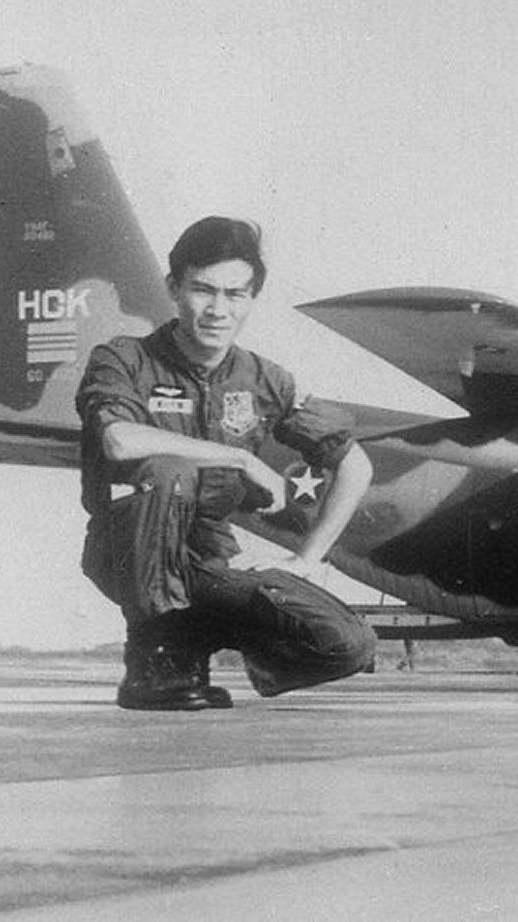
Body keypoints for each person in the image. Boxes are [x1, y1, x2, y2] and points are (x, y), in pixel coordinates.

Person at [77, 216, 376, 710]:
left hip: (210, 558)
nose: (219, 309)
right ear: (174, 288)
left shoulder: (265, 380)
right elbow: (119, 441)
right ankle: (154, 657)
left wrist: (308, 558)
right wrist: (238, 458)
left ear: (253, 298)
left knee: (350, 643)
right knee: (167, 471)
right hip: (126, 549)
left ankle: (195, 640)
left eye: (236, 294)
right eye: (203, 290)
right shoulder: (124, 358)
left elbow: (355, 465)